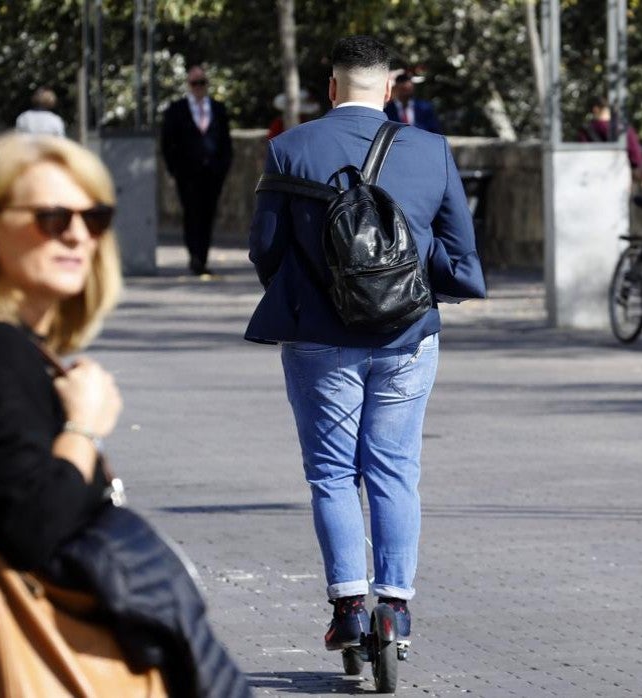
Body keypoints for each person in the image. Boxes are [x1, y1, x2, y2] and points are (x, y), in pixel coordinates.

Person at [0, 133, 248, 696]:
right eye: (52, 217)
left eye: (94, 217)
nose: (79, 235)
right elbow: (28, 530)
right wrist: (84, 426)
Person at [247, 35, 485, 654]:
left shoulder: (289, 148)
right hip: (407, 337)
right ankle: (396, 611)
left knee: (331, 473)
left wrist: (308, 289)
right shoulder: (430, 151)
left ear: (331, 87)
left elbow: (265, 250)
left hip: (318, 339)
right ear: (387, 88)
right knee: (395, 470)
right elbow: (460, 250)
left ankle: (349, 608)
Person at [160, 65, 233, 276]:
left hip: (212, 173)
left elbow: (225, 142)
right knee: (191, 214)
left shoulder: (218, 109)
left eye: (202, 83)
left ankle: (203, 256)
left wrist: (222, 167)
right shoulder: (177, 109)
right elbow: (168, 142)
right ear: (188, 85)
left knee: (208, 215)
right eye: (194, 83)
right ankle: (194, 256)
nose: (199, 87)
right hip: (187, 174)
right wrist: (174, 169)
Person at [577, 95, 642, 179]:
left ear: (595, 109)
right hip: (618, 177)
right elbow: (636, 158)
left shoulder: (585, 131)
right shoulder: (624, 130)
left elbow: (582, 158)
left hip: (592, 178)